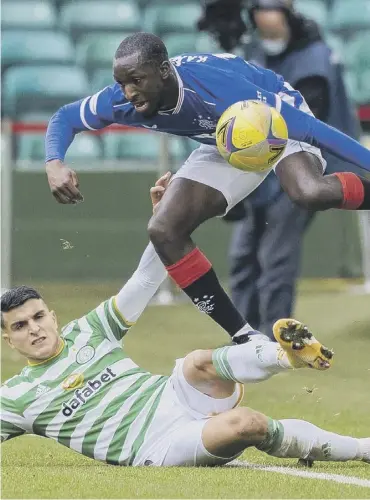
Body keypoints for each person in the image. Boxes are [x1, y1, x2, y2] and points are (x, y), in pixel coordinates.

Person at [1, 175, 369, 467]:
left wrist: (164, 225)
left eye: (37, 317)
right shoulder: (15, 398)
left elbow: (144, 282)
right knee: (247, 424)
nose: (34, 329)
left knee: (196, 361)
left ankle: (288, 356)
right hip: (157, 445)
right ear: (7, 340)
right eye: (19, 326)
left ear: (52, 316)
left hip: (174, 395)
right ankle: (360, 448)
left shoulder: (89, 330)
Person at [44, 32, 370, 345]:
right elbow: (65, 117)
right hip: (223, 139)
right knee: (164, 229)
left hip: (269, 119)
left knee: (307, 192)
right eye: (122, 83)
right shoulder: (120, 101)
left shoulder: (219, 89)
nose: (128, 92)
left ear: (163, 71)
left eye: (136, 81)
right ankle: (245, 337)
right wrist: (54, 162)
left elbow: (315, 131)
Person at [228, 0, 362, 336]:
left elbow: (305, 121)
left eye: (272, 8)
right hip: (260, 168)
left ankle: (274, 336)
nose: (265, 15)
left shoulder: (314, 55)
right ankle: (243, 335)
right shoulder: (255, 50)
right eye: (260, 8)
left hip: (302, 167)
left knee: (276, 257)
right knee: (243, 256)